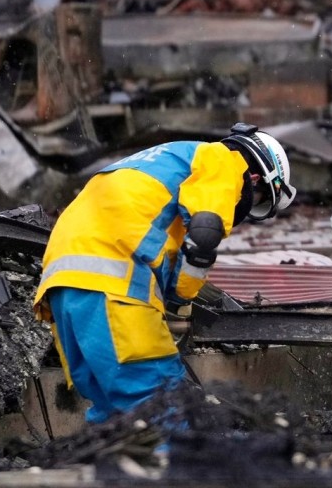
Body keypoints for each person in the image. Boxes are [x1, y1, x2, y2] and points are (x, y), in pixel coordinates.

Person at [33, 125, 295, 422]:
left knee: (114, 418)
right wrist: (181, 300)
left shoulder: (158, 160)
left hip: (62, 286)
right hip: (114, 287)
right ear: (257, 177)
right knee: (163, 407)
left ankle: (119, 467)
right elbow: (205, 231)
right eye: (258, 200)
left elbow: (141, 226)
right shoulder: (223, 160)